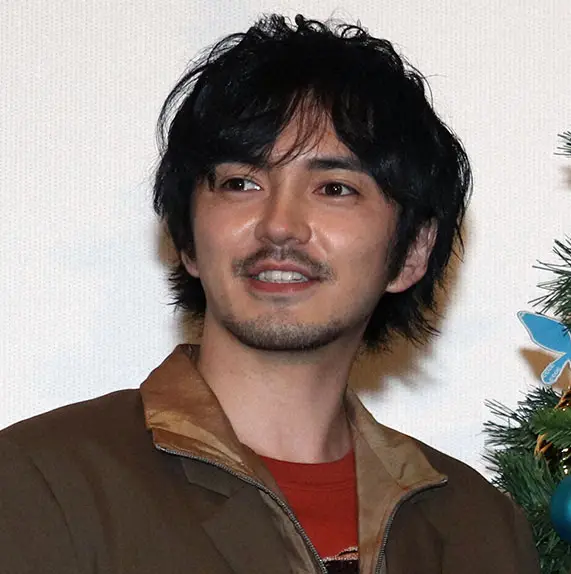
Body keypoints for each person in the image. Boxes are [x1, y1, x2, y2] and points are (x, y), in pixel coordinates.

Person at [0, 14, 539, 574]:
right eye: (241, 183)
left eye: (335, 188)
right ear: (188, 239)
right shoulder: (39, 486)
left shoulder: (480, 529)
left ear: (411, 253)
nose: (279, 225)